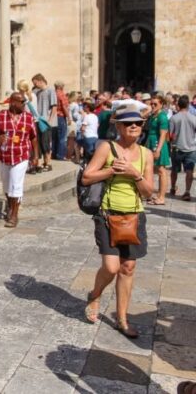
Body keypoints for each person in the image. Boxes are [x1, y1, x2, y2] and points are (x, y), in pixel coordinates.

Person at [82, 102, 153, 339]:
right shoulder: (106, 148)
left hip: (134, 215)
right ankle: (95, 294)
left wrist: (135, 174)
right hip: (107, 213)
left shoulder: (146, 154)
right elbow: (87, 177)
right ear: (119, 127)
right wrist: (112, 170)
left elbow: (148, 192)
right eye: (127, 123)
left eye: (137, 123)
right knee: (111, 267)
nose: (133, 126)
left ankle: (122, 318)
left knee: (128, 267)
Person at [0, 92, 38, 228]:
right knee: (7, 186)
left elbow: (33, 137)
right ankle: (10, 207)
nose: (24, 104)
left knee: (16, 185)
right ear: (13, 102)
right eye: (22, 102)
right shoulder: (0, 116)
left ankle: (14, 215)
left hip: (21, 156)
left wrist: (35, 156)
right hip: (4, 156)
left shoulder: (28, 118)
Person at [168, 95, 196, 201]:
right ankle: (187, 191)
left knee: (174, 170)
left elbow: (170, 135)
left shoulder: (174, 118)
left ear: (178, 105)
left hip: (177, 148)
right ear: (188, 105)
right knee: (189, 170)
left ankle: (172, 188)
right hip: (191, 148)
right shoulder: (194, 118)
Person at [145, 95, 171, 205]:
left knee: (161, 170)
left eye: (155, 104)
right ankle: (152, 194)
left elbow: (163, 135)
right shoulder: (153, 116)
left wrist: (158, 150)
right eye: (151, 103)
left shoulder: (162, 117)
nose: (153, 105)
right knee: (150, 169)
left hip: (158, 144)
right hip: (150, 143)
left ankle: (161, 197)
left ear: (161, 104)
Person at [32, 73, 57, 171]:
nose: (34, 85)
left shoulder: (50, 91)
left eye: (35, 83)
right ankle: (41, 162)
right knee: (39, 142)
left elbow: (54, 107)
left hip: (46, 121)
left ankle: (48, 163)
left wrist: (50, 121)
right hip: (38, 120)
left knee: (46, 142)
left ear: (40, 81)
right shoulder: (36, 92)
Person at [53, 81, 71, 160]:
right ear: (61, 87)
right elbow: (64, 107)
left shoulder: (53, 94)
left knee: (54, 137)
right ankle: (60, 155)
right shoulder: (61, 94)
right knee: (62, 137)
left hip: (53, 116)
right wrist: (69, 117)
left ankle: (54, 154)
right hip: (60, 116)